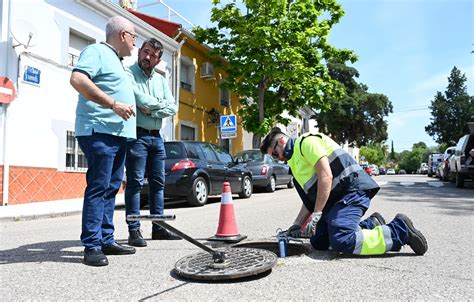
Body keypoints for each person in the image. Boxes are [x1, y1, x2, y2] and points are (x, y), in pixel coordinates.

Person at [260, 128, 428, 256]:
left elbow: (326, 176)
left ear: (281, 141)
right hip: (338, 199)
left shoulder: (306, 143)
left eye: (275, 154)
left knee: (342, 240)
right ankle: (371, 225)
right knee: (319, 241)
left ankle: (400, 230)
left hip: (352, 190)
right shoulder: (295, 164)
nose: (278, 159)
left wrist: (317, 214)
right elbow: (310, 198)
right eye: (274, 158)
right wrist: (297, 223)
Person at [70, 16, 137, 267]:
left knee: (110, 188)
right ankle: (92, 244)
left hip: (118, 134)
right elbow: (78, 79)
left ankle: (106, 238)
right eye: (134, 37)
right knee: (98, 187)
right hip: (99, 131)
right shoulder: (97, 51)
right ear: (122, 35)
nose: (134, 43)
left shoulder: (119, 63)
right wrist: (113, 104)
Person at [124, 38, 180, 247]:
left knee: (158, 183)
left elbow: (172, 107)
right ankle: (134, 230)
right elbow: (138, 98)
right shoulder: (128, 73)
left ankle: (159, 228)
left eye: (153, 55)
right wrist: (155, 106)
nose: (147, 57)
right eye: (145, 52)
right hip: (137, 136)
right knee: (136, 183)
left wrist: (153, 109)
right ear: (139, 51)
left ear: (158, 59)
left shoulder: (161, 80)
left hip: (157, 137)